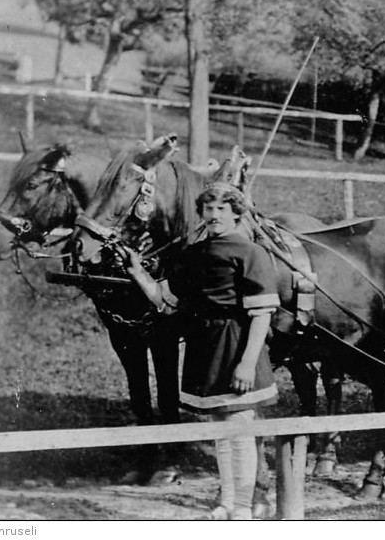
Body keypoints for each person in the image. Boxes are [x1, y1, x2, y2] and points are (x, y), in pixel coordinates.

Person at [122, 181, 279, 520]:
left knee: (240, 429)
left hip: (237, 345)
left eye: (221, 209)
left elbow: (262, 314)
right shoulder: (193, 254)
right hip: (203, 346)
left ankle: (242, 508)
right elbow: (167, 301)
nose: (213, 215)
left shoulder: (250, 253)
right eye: (208, 209)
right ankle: (225, 504)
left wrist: (248, 364)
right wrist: (137, 272)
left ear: (236, 213)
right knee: (220, 431)